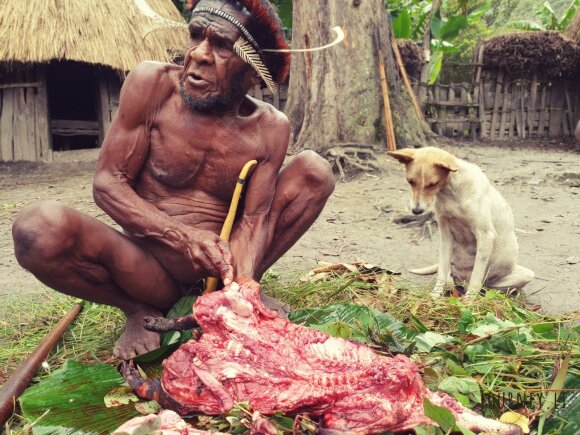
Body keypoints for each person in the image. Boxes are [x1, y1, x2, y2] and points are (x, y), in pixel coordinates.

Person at [12, 0, 335, 359]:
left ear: (255, 72)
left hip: (219, 271)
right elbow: (108, 182)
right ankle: (137, 310)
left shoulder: (270, 128)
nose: (198, 54)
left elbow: (255, 219)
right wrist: (181, 237)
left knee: (314, 171)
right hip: (145, 270)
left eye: (222, 46)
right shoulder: (152, 85)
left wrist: (241, 287)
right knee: (37, 228)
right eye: (195, 36)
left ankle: (234, 296)